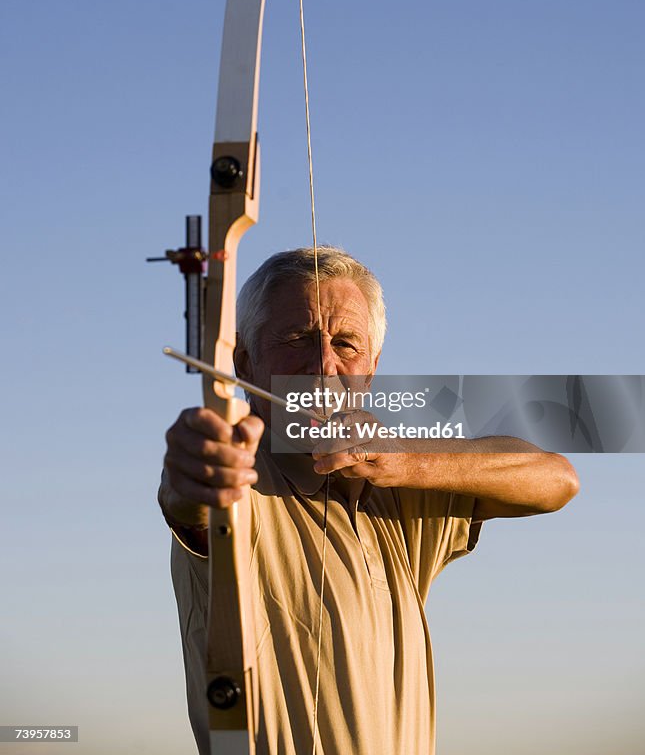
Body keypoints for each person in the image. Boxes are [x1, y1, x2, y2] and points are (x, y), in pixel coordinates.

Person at [159, 246, 579, 755]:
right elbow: (193, 500)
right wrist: (194, 472)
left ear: (372, 368)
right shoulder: (240, 477)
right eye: (296, 339)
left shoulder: (393, 489)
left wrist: (407, 462)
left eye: (346, 344)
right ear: (244, 360)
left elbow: (557, 479)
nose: (324, 366)